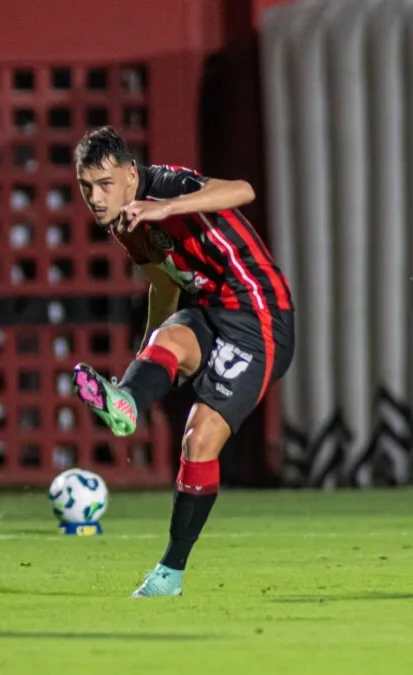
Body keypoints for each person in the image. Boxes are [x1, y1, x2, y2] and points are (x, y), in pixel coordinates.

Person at [71, 127, 295, 597]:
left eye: (105, 184)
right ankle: (127, 402)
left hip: (259, 315)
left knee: (199, 438)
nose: (95, 197)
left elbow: (243, 190)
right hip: (209, 310)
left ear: (132, 176)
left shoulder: (164, 186)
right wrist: (143, 361)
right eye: (86, 186)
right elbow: (166, 285)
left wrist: (165, 207)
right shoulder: (123, 223)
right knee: (168, 338)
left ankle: (171, 570)